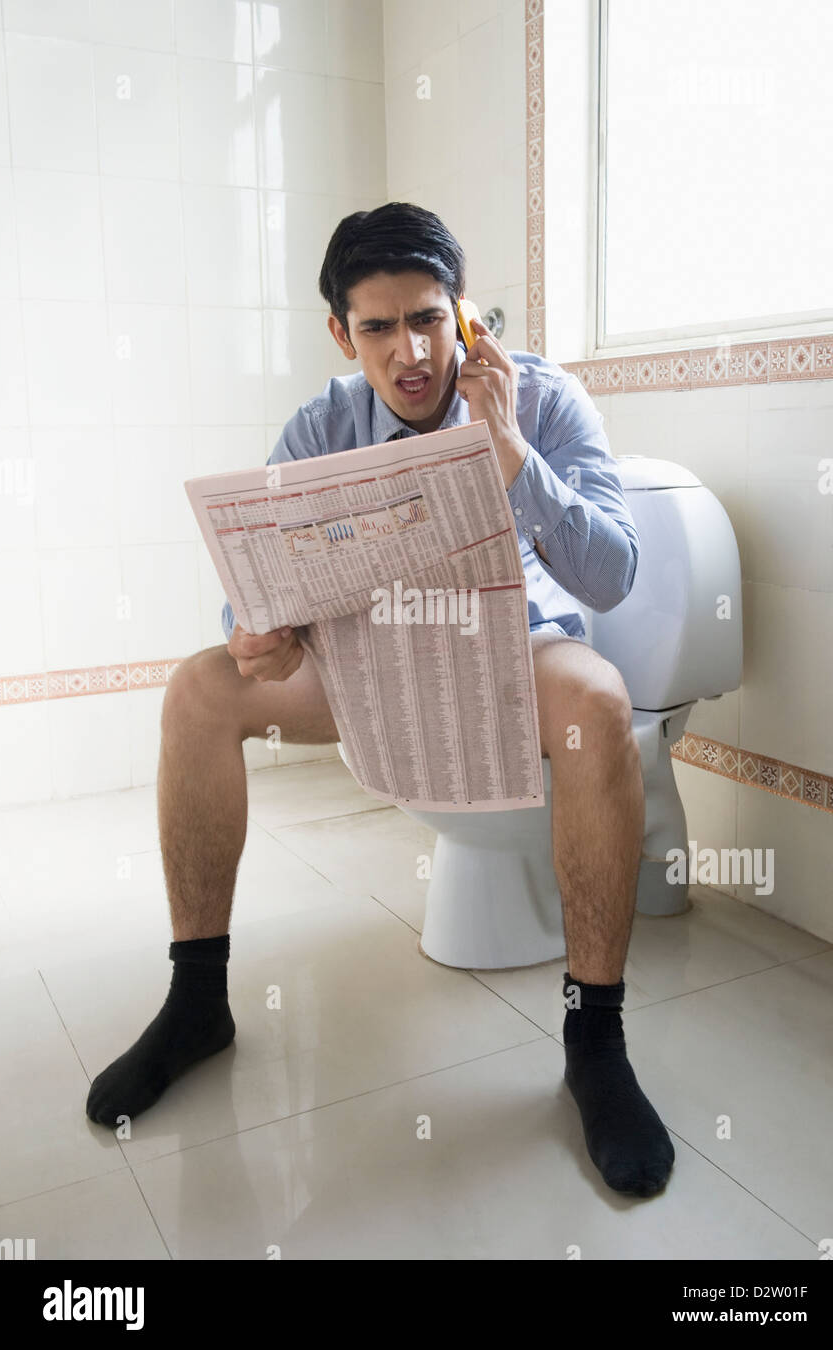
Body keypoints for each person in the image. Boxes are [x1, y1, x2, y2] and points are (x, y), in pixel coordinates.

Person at [86, 203, 674, 1199]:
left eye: (429, 319)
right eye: (378, 326)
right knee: (198, 689)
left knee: (601, 700)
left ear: (466, 316)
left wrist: (511, 452)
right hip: (367, 664)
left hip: (510, 656)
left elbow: (614, 575)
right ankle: (197, 1001)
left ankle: (596, 1037)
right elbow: (253, 582)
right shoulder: (318, 425)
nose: (410, 351)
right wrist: (254, 633)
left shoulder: (547, 401)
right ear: (340, 332)